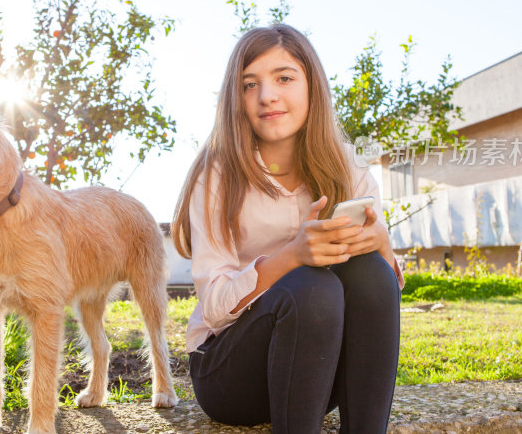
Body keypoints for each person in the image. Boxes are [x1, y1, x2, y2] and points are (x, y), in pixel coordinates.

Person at [172, 24, 404, 434]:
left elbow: (378, 304)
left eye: (284, 78)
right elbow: (213, 307)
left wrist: (382, 244)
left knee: (368, 271)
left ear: (311, 85)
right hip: (230, 376)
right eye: (250, 84)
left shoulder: (348, 167)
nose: (267, 96)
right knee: (313, 287)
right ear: (236, 99)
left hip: (319, 372)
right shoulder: (218, 175)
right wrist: (291, 257)